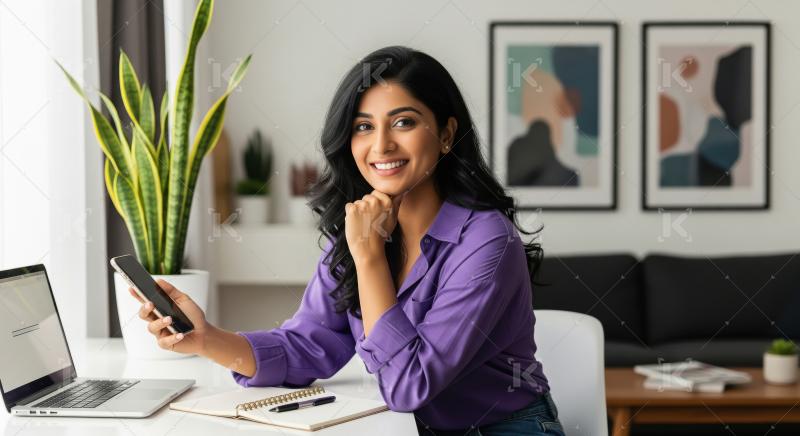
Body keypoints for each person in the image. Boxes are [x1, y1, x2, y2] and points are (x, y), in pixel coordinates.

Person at [130, 46, 564, 435]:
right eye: (363, 126)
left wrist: (370, 257)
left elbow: (408, 385)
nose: (381, 145)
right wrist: (205, 338)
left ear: (447, 134)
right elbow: (309, 345)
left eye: (404, 122)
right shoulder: (358, 227)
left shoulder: (486, 241)